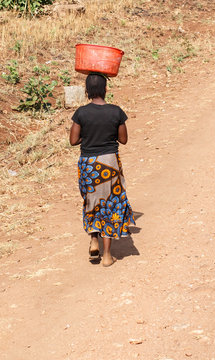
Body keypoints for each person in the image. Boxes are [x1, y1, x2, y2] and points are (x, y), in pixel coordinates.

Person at [69, 73, 135, 267]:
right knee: (110, 204)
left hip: (89, 164)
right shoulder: (116, 112)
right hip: (110, 163)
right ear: (106, 90)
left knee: (92, 201)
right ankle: (107, 255)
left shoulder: (81, 113)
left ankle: (93, 239)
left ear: (87, 91)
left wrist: (87, 138)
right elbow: (123, 140)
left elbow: (73, 141)